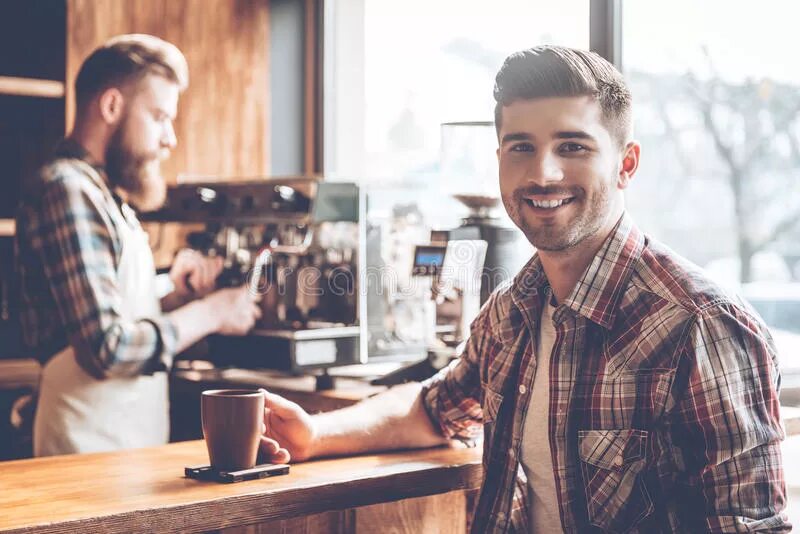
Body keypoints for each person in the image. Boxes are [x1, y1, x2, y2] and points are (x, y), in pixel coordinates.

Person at [257, 46, 789, 532]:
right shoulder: (511, 311)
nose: (543, 172)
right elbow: (434, 408)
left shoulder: (702, 324)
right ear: (499, 162)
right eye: (521, 147)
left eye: (573, 146)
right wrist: (314, 434)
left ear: (626, 164)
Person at [15, 34, 261, 457]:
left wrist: (173, 296)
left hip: (122, 447)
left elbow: (114, 312)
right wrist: (211, 313)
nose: (170, 139)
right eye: (159, 116)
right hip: (84, 451)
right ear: (112, 106)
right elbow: (106, 349)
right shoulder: (69, 189)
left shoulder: (104, 195)